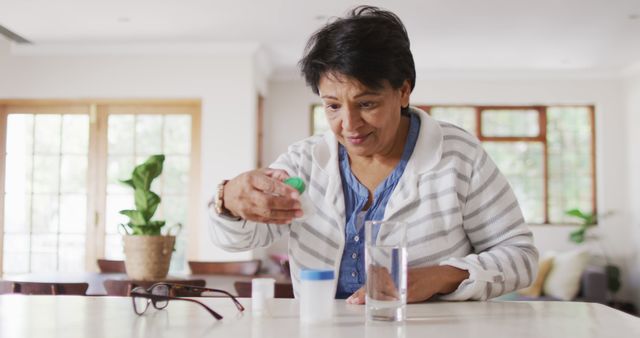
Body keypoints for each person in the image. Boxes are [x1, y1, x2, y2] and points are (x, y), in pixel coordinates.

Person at [209, 6, 538, 303]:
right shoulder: (303, 161)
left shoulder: (458, 155)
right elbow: (235, 239)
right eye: (333, 106)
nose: (349, 124)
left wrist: (440, 277)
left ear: (403, 91)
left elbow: (521, 257)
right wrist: (230, 199)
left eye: (367, 104)